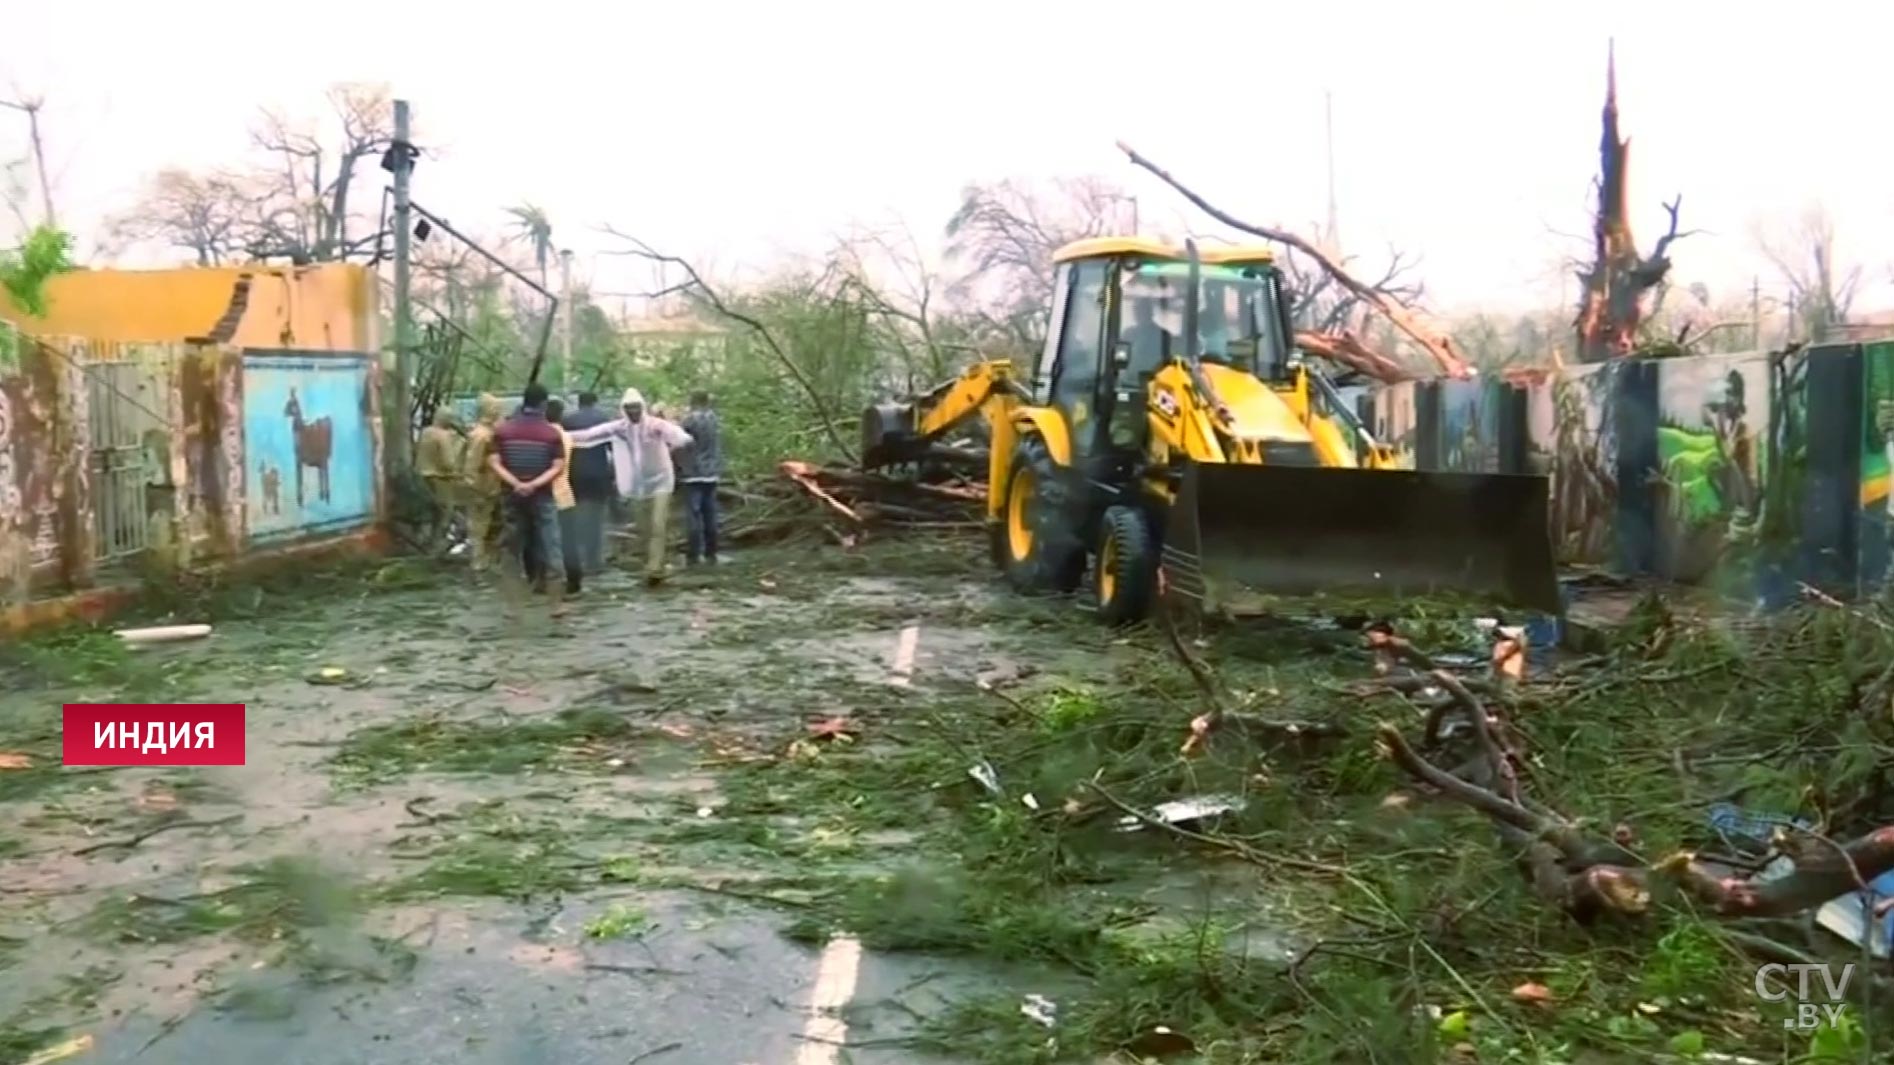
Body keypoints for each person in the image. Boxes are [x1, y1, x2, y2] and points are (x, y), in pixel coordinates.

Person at [567, 387, 693, 586]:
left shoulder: (656, 425)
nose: (633, 411)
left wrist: (673, 445)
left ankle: (655, 567)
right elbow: (589, 436)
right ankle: (650, 564)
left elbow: (681, 436)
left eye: (636, 407)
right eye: (629, 408)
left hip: (661, 480)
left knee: (658, 525)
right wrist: (558, 435)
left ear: (642, 407)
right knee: (644, 528)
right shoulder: (619, 428)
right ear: (623, 409)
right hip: (638, 485)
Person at [488, 382, 568, 616]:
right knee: (551, 547)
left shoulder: (503, 430)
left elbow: (493, 462)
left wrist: (516, 483)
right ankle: (556, 604)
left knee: (512, 550)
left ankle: (513, 606)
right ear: (543, 404)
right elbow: (558, 466)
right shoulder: (551, 433)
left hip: (512, 497)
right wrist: (534, 484)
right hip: (542, 496)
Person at [561, 391, 615, 574]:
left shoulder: (567, 420)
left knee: (577, 516)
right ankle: (594, 560)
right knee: (597, 517)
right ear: (595, 402)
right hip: (599, 473)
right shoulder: (603, 418)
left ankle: (579, 558)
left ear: (579, 402)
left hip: (575, 473)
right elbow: (612, 447)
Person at [676, 390, 724, 566]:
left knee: (693, 514)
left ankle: (693, 553)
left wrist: (679, 466)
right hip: (711, 472)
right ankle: (711, 551)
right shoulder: (715, 419)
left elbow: (681, 443)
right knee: (710, 513)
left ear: (693, 401)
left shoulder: (689, 420)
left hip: (692, 473)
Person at [460, 393, 506, 573]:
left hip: (491, 486)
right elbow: (471, 465)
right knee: (478, 526)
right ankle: (478, 561)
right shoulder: (480, 436)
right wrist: (473, 489)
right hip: (482, 487)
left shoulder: (489, 433)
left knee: (489, 524)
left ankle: (486, 559)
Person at [544, 398, 584, 598]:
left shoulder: (545, 435)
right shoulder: (567, 436)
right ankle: (575, 579)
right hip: (565, 493)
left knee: (550, 542)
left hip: (548, 495)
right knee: (569, 541)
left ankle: (551, 583)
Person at [416, 406, 464, 554]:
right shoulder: (443, 436)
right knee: (445, 513)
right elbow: (448, 463)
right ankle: (437, 547)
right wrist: (459, 445)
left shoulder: (425, 432)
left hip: (422, 477)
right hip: (440, 479)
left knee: (427, 513)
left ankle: (422, 544)